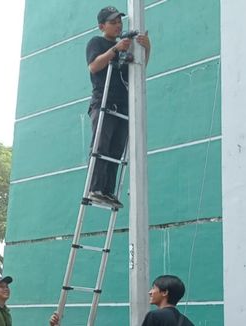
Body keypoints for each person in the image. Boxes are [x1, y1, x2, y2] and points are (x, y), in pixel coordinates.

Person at [87, 6, 150, 208]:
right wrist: (115, 50)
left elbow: (138, 71)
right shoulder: (96, 42)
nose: (117, 25)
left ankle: (107, 190)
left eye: (119, 22)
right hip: (104, 102)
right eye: (113, 22)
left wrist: (146, 48)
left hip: (123, 105)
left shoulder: (124, 46)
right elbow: (94, 66)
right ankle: (95, 188)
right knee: (101, 146)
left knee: (116, 150)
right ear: (102, 26)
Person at [49, 275, 194, 326]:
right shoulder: (186, 321)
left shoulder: (155, 316)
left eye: (153, 288)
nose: (150, 291)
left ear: (164, 292)